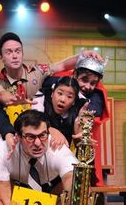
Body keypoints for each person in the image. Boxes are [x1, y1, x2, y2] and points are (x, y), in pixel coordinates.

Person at [41, 53, 110, 186]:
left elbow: (95, 109)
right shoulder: (54, 84)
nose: (88, 86)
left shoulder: (95, 97)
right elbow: (43, 79)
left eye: (93, 83)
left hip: (72, 149)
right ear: (74, 75)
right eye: (84, 80)